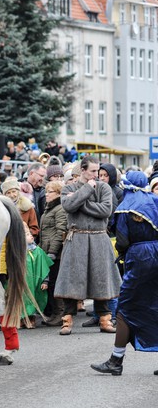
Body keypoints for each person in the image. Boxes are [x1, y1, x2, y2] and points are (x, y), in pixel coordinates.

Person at [91, 171, 158, 375]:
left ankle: (116, 360)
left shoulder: (124, 208)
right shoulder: (155, 201)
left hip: (139, 257)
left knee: (125, 309)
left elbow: (122, 242)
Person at [55, 156, 121, 335]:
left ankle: (105, 319)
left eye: (98, 171)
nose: (96, 174)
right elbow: (68, 206)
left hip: (99, 238)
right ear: (82, 170)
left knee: (101, 280)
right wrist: (84, 191)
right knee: (72, 281)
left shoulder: (104, 187)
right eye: (92, 171)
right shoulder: (68, 188)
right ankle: (67, 321)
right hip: (77, 238)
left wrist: (79, 201)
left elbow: (106, 210)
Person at [40, 181, 68, 327]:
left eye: (50, 191)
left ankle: (60, 313)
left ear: (58, 193)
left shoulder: (60, 209)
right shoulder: (49, 208)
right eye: (46, 191)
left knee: (55, 283)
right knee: (50, 283)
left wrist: (52, 251)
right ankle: (55, 313)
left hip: (55, 253)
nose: (46, 194)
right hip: (46, 251)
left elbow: (60, 232)